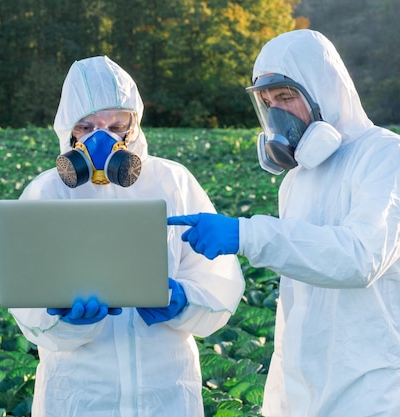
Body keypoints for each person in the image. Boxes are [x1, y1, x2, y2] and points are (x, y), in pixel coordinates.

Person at [168, 29, 400, 416]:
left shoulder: (384, 157)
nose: (276, 111)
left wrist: (247, 233)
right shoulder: (295, 180)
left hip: (372, 390)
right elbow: (298, 309)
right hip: (305, 392)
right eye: (267, 101)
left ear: (323, 92)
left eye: (286, 97)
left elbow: (361, 257)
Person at [9, 56, 245, 416]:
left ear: (134, 124)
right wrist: (69, 324)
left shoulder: (173, 182)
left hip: (167, 392)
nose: (102, 138)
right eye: (87, 126)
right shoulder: (46, 192)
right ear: (69, 131)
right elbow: (29, 312)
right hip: (79, 396)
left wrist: (183, 302)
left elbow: (220, 280)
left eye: (116, 123)